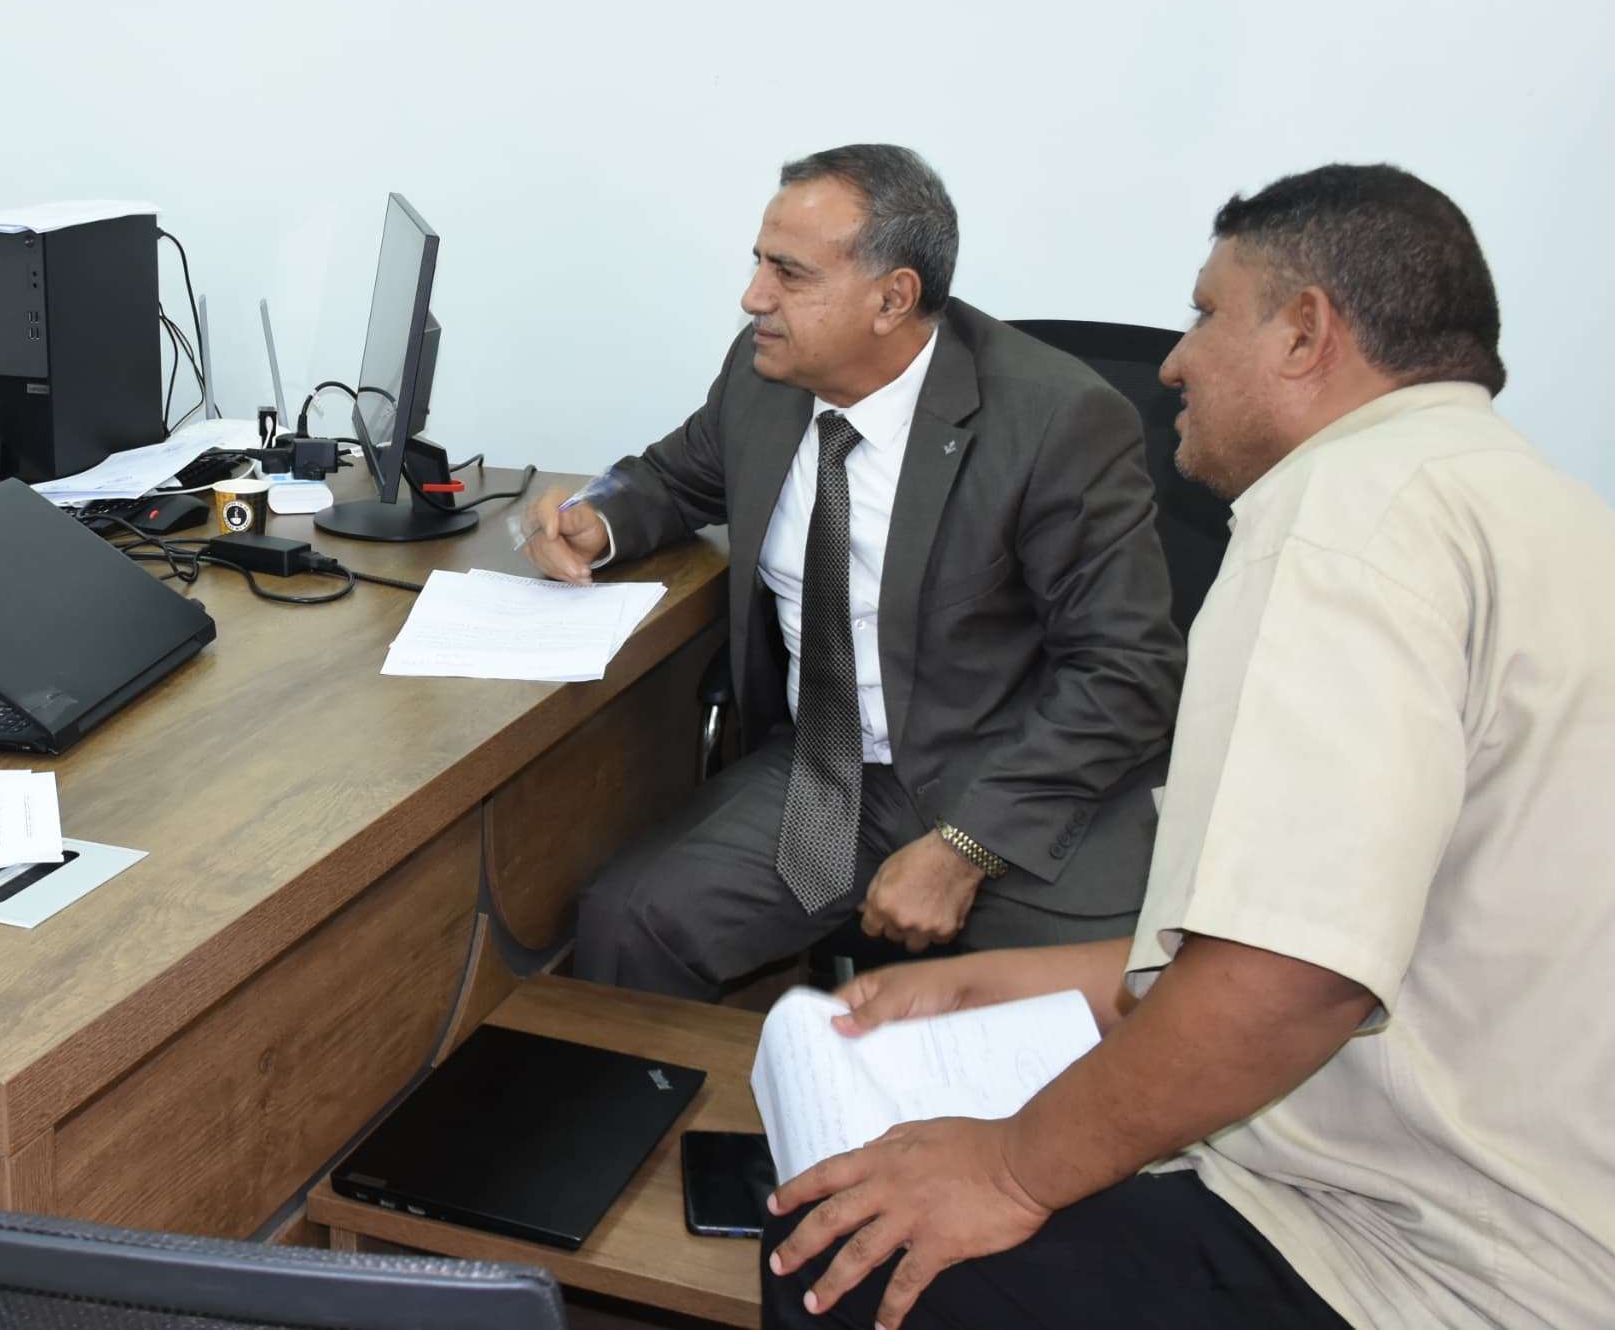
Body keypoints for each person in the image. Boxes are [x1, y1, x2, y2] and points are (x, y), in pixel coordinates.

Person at [763, 165, 1615, 1329]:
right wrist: (1004, 979)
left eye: (1208, 314)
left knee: (841, 1258)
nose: (1174, 361)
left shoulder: (1339, 522)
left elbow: (1294, 980)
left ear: (1305, 331)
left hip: (1422, 1259)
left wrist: (1007, 1168)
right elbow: (1379, 931)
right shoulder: (1548, 509)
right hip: (1543, 1195)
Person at [524, 145, 1182, 997]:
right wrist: (596, 516)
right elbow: (670, 476)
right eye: (759, 263)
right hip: (829, 778)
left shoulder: (1057, 420)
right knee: (631, 920)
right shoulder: (765, 372)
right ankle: (679, 1089)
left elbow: (1127, 670)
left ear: (892, 298)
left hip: (1017, 783)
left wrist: (965, 847)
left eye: (789, 273)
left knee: (1105, 1008)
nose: (754, 297)